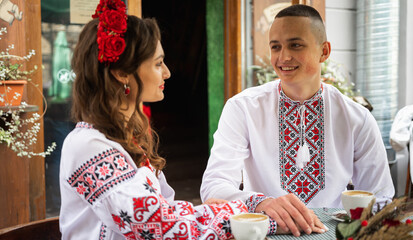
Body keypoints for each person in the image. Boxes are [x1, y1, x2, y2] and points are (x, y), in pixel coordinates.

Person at [59, 0, 285, 239]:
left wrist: (215, 212)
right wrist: (248, 216)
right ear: (122, 73)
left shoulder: (127, 139)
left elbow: (165, 213)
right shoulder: (88, 146)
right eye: (158, 64)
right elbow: (159, 227)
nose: (167, 72)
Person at [200, 4, 395, 237]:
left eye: (295, 45)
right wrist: (262, 203)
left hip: (332, 233)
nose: (283, 57)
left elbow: (381, 198)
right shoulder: (242, 108)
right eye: (275, 47)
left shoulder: (356, 118)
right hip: (266, 231)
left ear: (324, 51)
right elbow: (214, 186)